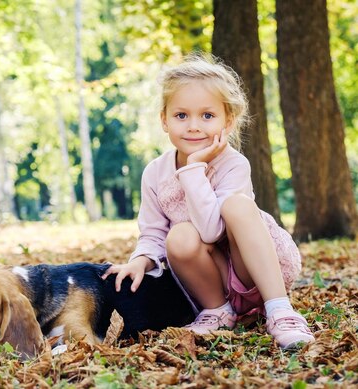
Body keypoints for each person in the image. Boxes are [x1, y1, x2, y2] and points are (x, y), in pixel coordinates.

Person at [103, 53, 314, 349]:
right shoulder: (155, 172)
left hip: (250, 272)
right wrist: (140, 260)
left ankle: (280, 310)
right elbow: (153, 232)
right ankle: (217, 312)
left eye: (207, 116)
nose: (193, 126)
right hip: (208, 279)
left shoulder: (234, 164)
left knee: (237, 205)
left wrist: (193, 170)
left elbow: (213, 230)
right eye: (181, 116)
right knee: (180, 235)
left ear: (227, 121)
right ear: (164, 120)